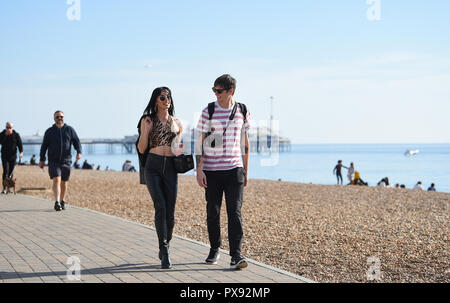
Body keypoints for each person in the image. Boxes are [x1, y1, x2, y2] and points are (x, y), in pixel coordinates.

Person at [195, 74, 251, 270]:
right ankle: (214, 248)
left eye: (219, 91)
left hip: (234, 169)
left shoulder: (242, 110)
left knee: (234, 213)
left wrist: (246, 170)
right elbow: (199, 141)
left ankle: (236, 255)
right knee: (213, 212)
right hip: (211, 170)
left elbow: (245, 143)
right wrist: (199, 169)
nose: (216, 94)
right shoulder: (208, 111)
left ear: (230, 91)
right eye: (214, 90)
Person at [137, 87, 183, 269]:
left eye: (168, 97)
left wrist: (178, 137)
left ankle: (165, 243)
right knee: (161, 207)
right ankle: (165, 252)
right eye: (162, 97)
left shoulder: (177, 122)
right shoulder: (147, 120)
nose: (166, 100)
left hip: (171, 167)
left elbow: (177, 149)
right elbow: (142, 149)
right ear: (156, 100)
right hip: (153, 166)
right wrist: (146, 131)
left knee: (170, 214)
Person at [39, 111, 82, 211]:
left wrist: (79, 152)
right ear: (54, 119)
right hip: (54, 161)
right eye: (57, 117)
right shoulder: (49, 131)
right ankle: (57, 202)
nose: (59, 118)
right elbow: (44, 146)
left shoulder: (69, 130)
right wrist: (42, 160)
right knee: (57, 180)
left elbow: (77, 142)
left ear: (64, 118)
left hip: (66, 161)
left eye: (61, 117)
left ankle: (62, 201)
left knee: (64, 182)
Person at [0, 122, 23, 194]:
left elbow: (20, 144)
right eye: (7, 127)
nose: (8, 129)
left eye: (10, 127)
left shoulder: (16, 135)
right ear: (5, 127)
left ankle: (9, 188)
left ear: (12, 128)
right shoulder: (2, 134)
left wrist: (21, 152)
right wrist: (5, 136)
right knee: (5, 171)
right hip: (4, 156)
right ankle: (4, 188)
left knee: (11, 172)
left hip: (13, 156)